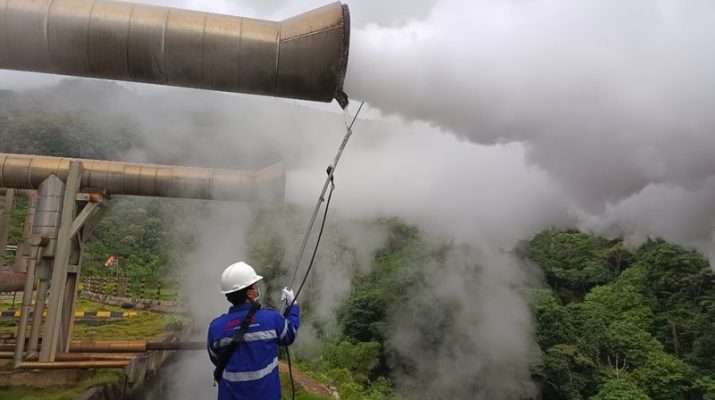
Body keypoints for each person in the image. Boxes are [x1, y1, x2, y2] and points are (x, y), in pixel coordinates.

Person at [207, 261, 300, 400]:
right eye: (255, 286)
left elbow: (216, 359)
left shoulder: (215, 328)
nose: (257, 289)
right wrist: (293, 307)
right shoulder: (271, 319)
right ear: (250, 293)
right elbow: (290, 335)